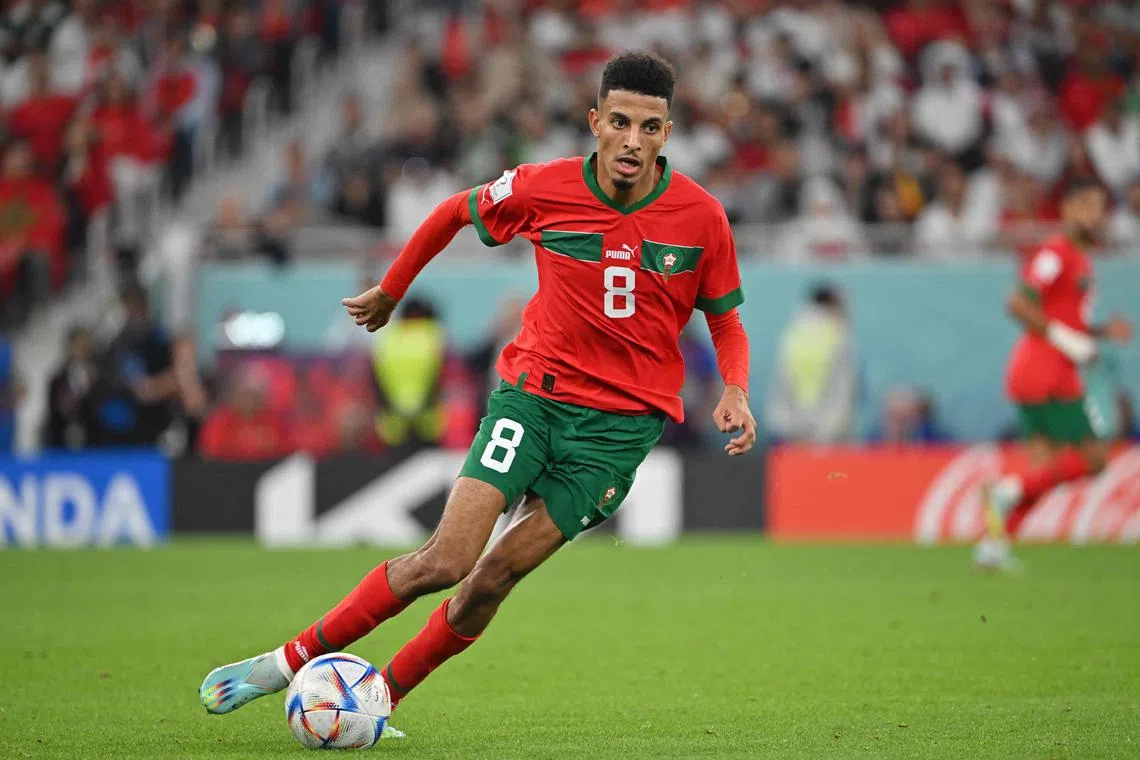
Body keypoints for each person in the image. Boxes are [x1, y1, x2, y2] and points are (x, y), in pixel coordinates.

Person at [199, 51, 756, 736]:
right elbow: (453, 212)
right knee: (445, 560)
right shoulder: (544, 188)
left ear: (667, 133)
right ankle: (290, 660)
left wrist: (735, 388)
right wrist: (392, 291)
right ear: (595, 123)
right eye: (620, 122)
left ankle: (380, 701)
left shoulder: (701, 218)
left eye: (650, 127)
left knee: (490, 580)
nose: (634, 141)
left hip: (617, 437)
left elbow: (725, 319)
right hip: (534, 400)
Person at [974, 179, 1133, 571]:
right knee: (1095, 460)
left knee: (1045, 473)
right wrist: (1069, 342)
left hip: (1040, 371)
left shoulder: (1079, 257)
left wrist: (1095, 332)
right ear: (1067, 210)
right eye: (1086, 206)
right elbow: (1018, 303)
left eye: (1100, 207)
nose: (1095, 215)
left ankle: (994, 546)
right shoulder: (1056, 251)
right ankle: (1005, 491)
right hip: (1047, 372)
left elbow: (1063, 317)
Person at [765, 283, 858, 445]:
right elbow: (844, 386)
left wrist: (784, 421)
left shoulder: (793, 332)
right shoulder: (838, 333)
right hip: (828, 429)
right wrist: (833, 427)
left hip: (793, 425)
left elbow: (782, 380)